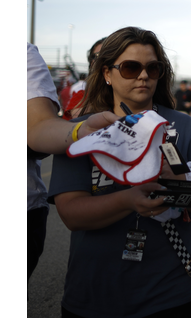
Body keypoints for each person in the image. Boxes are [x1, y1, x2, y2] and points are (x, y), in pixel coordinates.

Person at [47, 27, 191, 317]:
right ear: (107, 73)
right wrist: (129, 200)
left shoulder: (183, 126)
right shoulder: (80, 132)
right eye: (130, 67)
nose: (143, 76)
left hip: (168, 295)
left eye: (152, 68)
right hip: (93, 296)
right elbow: (71, 215)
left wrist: (177, 185)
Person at [26, 43, 118, 282]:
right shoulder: (80, 89)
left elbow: (40, 125)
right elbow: (66, 118)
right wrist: (78, 126)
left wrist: (79, 130)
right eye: (98, 56)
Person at [66, 37, 106, 119]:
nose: (103, 60)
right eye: (98, 56)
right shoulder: (81, 96)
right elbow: (77, 119)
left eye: (108, 55)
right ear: (91, 63)